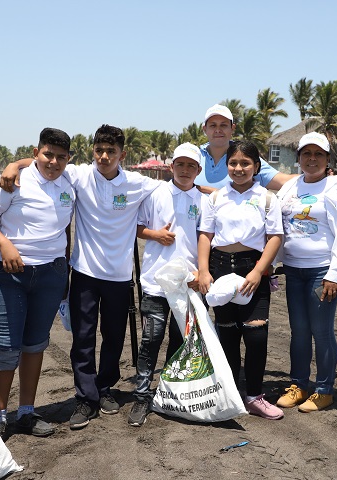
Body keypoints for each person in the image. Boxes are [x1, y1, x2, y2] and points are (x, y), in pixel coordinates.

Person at [0, 125, 161, 430]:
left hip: (120, 275)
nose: (103, 156)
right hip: (84, 272)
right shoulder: (78, 174)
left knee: (114, 337)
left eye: (111, 151)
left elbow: (178, 186)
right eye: (99, 150)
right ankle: (86, 398)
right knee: (83, 338)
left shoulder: (138, 183)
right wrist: (12, 164)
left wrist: (209, 191)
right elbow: (43, 161)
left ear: (122, 155)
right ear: (91, 151)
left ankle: (105, 388)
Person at [0, 128, 75, 439]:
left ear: (69, 159)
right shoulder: (13, 180)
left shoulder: (70, 180)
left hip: (51, 274)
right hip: (8, 275)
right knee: (5, 347)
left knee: (35, 344)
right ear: (37, 152)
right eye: (48, 154)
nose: (54, 162)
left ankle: (27, 413)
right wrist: (5, 245)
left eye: (61, 157)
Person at [197, 140, 284, 419]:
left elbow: (275, 238)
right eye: (233, 163)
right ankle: (231, 394)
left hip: (252, 269)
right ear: (227, 167)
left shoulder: (268, 198)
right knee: (228, 334)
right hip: (220, 268)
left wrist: (259, 270)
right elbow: (205, 235)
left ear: (256, 167)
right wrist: (203, 270)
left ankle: (255, 396)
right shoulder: (215, 198)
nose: (238, 168)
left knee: (256, 335)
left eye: (245, 163)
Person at [275, 132, 337, 412]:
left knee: (321, 331)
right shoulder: (289, 188)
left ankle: (324, 389)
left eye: (318, 154)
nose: (312, 159)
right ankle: (298, 384)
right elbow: (277, 225)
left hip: (322, 271)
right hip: (293, 270)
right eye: (306, 154)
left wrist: (336, 273)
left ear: (327, 159)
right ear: (298, 158)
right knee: (298, 331)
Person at [128, 142, 206, 427]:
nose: (185, 170)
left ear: (199, 170)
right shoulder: (156, 193)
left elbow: (206, 238)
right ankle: (141, 396)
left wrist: (201, 273)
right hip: (155, 280)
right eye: (180, 165)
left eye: (191, 166)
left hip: (188, 283)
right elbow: (135, 226)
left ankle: (169, 391)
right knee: (150, 340)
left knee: (179, 340)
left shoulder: (203, 200)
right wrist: (154, 235)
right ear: (171, 166)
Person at [196, 104, 295, 190]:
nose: (218, 130)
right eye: (213, 125)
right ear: (205, 129)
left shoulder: (245, 157)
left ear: (232, 128)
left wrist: (309, 175)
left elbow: (284, 181)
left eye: (223, 125)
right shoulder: (194, 156)